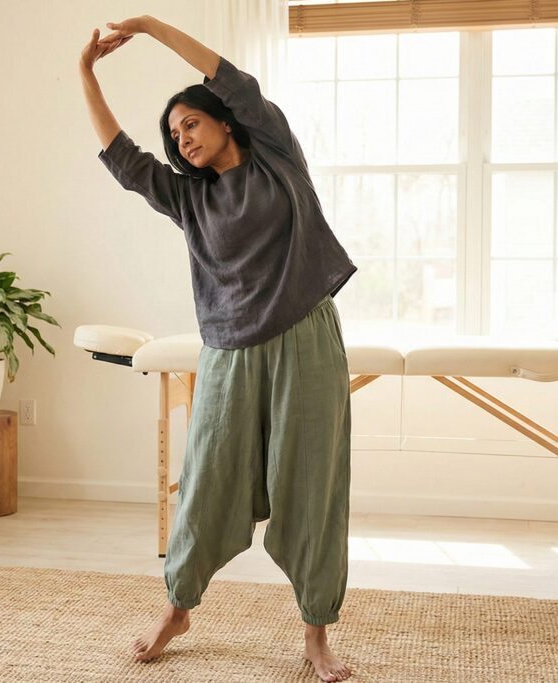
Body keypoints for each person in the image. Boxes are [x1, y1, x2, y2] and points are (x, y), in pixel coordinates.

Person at [79, 15, 357, 683]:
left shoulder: (277, 155)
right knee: (205, 483)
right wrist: (85, 72)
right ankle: (176, 609)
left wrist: (147, 26)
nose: (183, 139)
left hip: (305, 338)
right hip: (229, 350)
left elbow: (231, 77)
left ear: (227, 121)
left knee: (311, 485)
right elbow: (121, 157)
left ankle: (316, 631)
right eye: (175, 135)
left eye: (192, 124)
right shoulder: (188, 197)